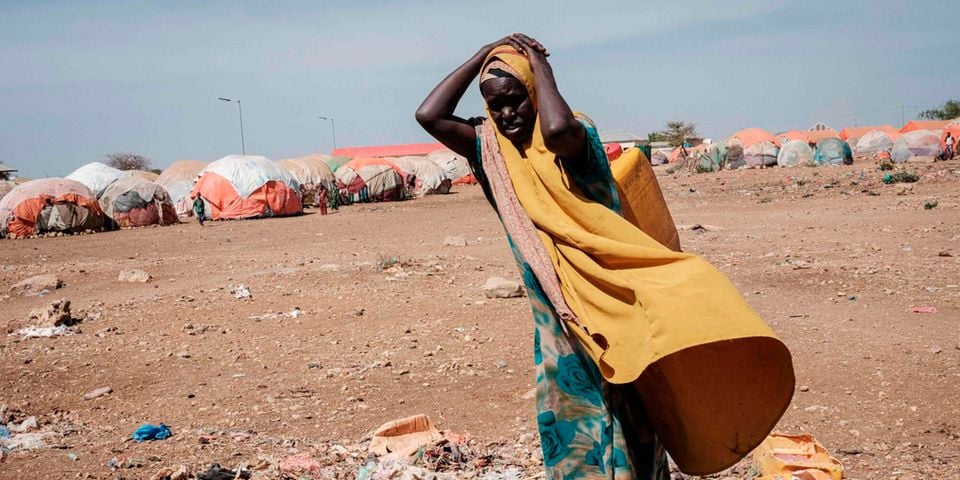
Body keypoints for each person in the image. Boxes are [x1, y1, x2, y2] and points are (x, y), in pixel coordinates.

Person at [417, 34, 793, 479]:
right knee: (574, 426)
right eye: (495, 106)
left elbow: (556, 130)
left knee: (632, 419)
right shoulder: (494, 153)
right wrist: (485, 54)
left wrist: (537, 63)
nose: (505, 114)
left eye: (516, 100)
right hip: (559, 325)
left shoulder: (577, 140)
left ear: (536, 92)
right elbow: (429, 114)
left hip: (612, 310)